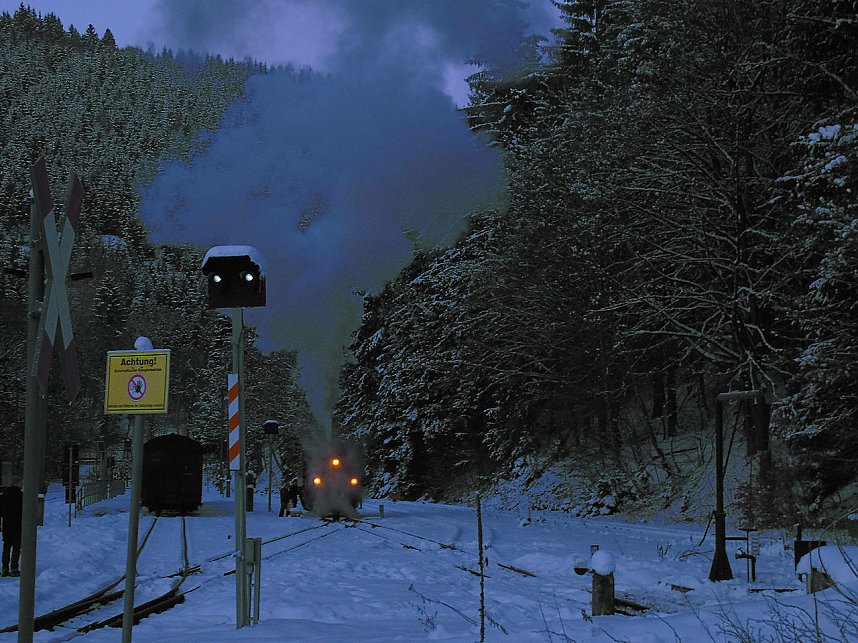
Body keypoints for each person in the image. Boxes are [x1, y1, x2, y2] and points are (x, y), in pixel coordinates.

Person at [1, 476, 22, 577]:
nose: (22, 485)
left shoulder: (4, 494)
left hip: (6, 525)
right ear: (17, 483)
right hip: (17, 525)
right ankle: (14, 568)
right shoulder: (20, 495)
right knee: (16, 547)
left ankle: (4, 568)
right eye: (21, 483)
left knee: (7, 547)